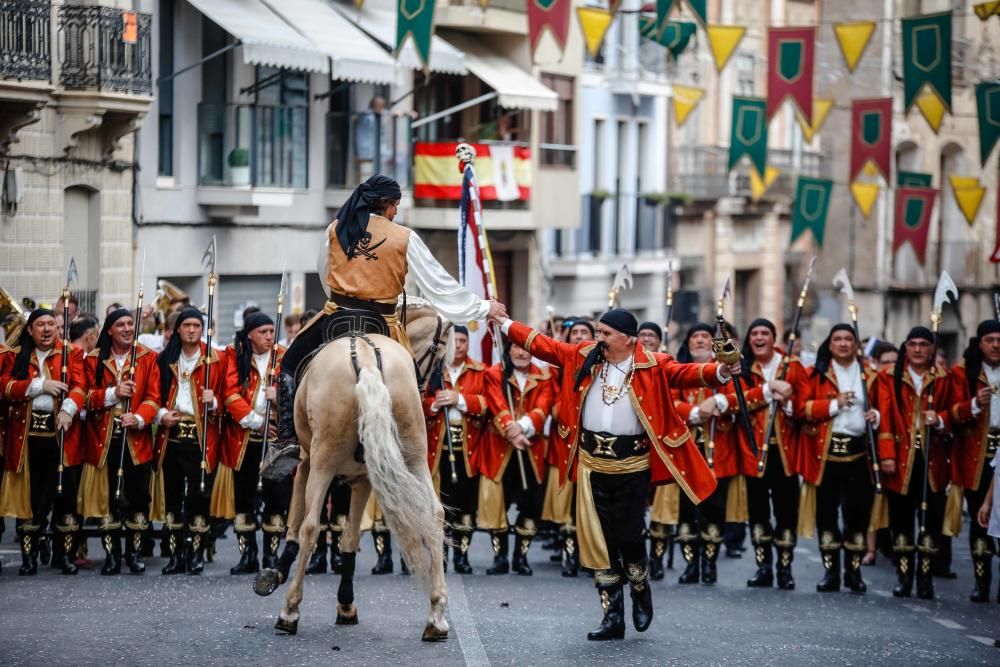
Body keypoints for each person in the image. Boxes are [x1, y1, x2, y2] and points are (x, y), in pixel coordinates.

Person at [262, 174, 505, 587]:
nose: (396, 211)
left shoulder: (336, 228)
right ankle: (408, 439)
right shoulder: (403, 236)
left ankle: (286, 438)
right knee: (408, 373)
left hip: (336, 319)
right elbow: (437, 285)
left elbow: (324, 277)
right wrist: (482, 307)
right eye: (395, 205)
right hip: (383, 323)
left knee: (288, 366)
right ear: (388, 203)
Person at [491, 308, 740, 641]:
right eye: (598, 332)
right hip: (591, 465)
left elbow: (689, 373)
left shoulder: (654, 363)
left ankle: (639, 585)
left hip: (633, 466)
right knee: (599, 542)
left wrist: (722, 372)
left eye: (606, 334)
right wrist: (501, 321)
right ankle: (612, 616)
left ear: (628, 338)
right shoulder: (583, 356)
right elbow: (541, 345)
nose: (599, 339)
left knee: (629, 537)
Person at [0, 309, 87, 575]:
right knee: (32, 499)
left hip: (62, 435)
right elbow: (4, 386)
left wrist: (67, 410)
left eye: (51, 324)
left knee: (65, 497)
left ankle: (64, 555)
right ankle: (29, 557)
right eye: (40, 325)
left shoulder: (71, 353)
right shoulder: (14, 355)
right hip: (27, 438)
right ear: (30, 330)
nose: (47, 329)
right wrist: (40, 386)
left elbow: (79, 385)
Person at [796, 324, 880, 594]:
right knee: (827, 515)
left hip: (859, 455)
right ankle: (830, 572)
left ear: (856, 344)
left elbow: (886, 410)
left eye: (848, 339)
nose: (843, 344)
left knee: (857, 516)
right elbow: (801, 409)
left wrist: (875, 417)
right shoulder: (816, 374)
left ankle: (853, 572)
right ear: (830, 344)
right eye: (838, 339)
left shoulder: (871, 375)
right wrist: (834, 404)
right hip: (826, 455)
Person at [78, 308, 161, 575]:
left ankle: (134, 553)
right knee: (109, 498)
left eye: (130, 324)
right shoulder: (93, 359)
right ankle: (112, 554)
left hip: (135, 439)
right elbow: (86, 397)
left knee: (137, 498)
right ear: (110, 330)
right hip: (104, 439)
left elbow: (153, 398)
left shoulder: (148, 358)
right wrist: (114, 393)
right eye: (121, 325)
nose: (127, 328)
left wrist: (138, 417)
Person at [876, 326, 952, 599]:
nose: (918, 349)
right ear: (905, 347)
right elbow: (884, 415)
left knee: (931, 520)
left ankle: (926, 576)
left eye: (923, 344)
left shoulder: (944, 377)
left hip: (933, 460)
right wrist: (886, 454)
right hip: (901, 460)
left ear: (932, 348)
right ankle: (904, 575)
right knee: (901, 519)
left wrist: (940, 418)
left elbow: (955, 414)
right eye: (913, 344)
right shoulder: (888, 377)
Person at [729, 318, 802, 590]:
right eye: (755, 333)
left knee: (786, 512)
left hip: (785, 453)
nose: (759, 337)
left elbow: (804, 407)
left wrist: (789, 403)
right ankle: (763, 567)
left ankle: (785, 568)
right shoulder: (742, 368)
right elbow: (733, 402)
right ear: (749, 340)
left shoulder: (792, 367)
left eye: (765, 333)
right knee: (758, 512)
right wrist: (765, 391)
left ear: (774, 338)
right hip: (753, 451)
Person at [219, 312, 292, 575]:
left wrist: (280, 394)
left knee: (276, 499)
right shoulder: (234, 355)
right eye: (263, 332)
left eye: (272, 331)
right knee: (244, 500)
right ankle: (247, 555)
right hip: (244, 439)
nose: (270, 336)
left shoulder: (283, 356)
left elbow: (297, 391)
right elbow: (229, 393)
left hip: (275, 440)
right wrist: (256, 421)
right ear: (250, 334)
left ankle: (270, 555)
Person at [154, 308, 224, 575]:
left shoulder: (214, 360)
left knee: (199, 497)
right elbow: (152, 394)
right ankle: (175, 554)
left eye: (196, 325)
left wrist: (214, 401)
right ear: (178, 329)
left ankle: (197, 553)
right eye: (187, 325)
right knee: (173, 498)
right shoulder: (165, 359)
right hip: (171, 436)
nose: (192, 330)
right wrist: (161, 414)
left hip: (201, 437)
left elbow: (228, 397)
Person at [668, 323, 738, 586]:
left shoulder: (726, 368)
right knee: (687, 509)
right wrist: (695, 412)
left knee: (714, 508)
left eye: (704, 336)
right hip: (686, 449)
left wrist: (719, 401)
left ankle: (709, 564)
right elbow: (669, 400)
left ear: (713, 342)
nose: (699, 340)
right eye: (694, 336)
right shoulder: (677, 367)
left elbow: (739, 398)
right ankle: (690, 565)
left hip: (717, 449)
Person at [479, 341, 555, 576]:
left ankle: (520, 557)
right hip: (499, 448)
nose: (522, 353)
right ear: (508, 350)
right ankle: (499, 557)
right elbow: (496, 403)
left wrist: (522, 428)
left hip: (531, 448)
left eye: (527, 349)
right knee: (496, 504)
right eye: (517, 348)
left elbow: (543, 407)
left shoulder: (544, 376)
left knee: (531, 504)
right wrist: (511, 431)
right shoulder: (494, 373)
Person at [424, 325, 488, 574]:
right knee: (440, 503)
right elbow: (419, 400)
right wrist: (433, 404)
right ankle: (441, 556)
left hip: (468, 449)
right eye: (454, 340)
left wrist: (459, 399)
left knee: (465, 505)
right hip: (439, 448)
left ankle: (462, 555)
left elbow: (486, 403)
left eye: (462, 340)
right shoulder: (433, 369)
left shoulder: (479, 371)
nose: (458, 345)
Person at [949, 320, 1000, 602]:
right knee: (981, 520)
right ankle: (982, 580)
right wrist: (975, 404)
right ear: (979, 343)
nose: (995, 345)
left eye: (999, 340)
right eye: (989, 340)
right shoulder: (964, 372)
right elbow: (952, 413)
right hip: (977, 456)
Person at [542, 316, 595, 577]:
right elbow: (549, 401)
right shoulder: (557, 366)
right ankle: (569, 555)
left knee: (589, 504)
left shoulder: (602, 365)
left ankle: (589, 556)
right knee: (566, 506)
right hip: (563, 441)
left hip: (593, 445)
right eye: (576, 332)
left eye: (586, 331)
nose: (580, 335)